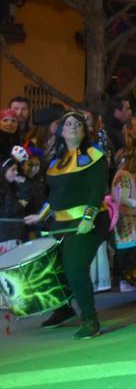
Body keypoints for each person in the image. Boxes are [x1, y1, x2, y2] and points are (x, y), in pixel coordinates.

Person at [23, 111, 109, 339]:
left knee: (74, 267)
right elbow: (55, 196)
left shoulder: (94, 154)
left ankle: (90, 320)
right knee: (51, 266)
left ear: (84, 131)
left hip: (88, 222)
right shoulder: (56, 162)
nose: (72, 127)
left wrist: (88, 218)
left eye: (77, 124)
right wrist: (40, 216)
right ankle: (63, 309)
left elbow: (97, 189)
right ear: (61, 130)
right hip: (62, 224)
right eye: (68, 124)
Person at [110, 148, 136, 292]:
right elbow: (124, 199)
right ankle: (126, 279)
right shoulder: (124, 175)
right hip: (127, 217)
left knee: (132, 248)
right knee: (128, 250)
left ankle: (135, 278)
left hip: (129, 216)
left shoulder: (121, 175)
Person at [0, 157, 25, 253]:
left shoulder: (10, 187)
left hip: (14, 235)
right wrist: (21, 204)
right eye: (12, 170)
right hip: (6, 239)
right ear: (4, 171)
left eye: (17, 169)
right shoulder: (2, 190)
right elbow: (9, 211)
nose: (16, 173)